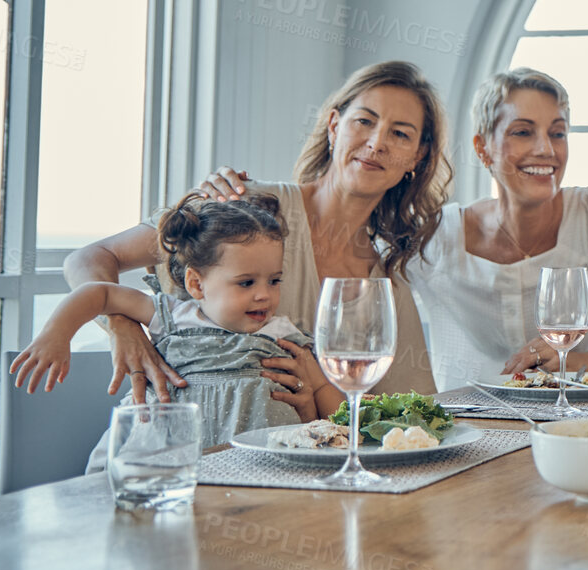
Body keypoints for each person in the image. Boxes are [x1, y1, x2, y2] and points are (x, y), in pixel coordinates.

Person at [64, 61, 451, 401]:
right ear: (334, 127)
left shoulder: (385, 282)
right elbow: (91, 258)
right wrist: (121, 326)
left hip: (280, 471)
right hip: (167, 446)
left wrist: (314, 407)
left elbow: (403, 413)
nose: (376, 142)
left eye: (400, 133)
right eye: (364, 121)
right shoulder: (246, 204)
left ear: (417, 156)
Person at [404, 68, 588, 389]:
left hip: (580, 424)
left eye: (557, 133)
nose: (546, 149)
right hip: (471, 424)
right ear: (482, 147)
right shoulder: (438, 236)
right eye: (522, 132)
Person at [12, 194, 346, 471]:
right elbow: (98, 292)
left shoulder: (284, 334)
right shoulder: (172, 315)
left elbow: (326, 398)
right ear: (196, 283)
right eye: (246, 283)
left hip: (258, 472)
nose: (264, 294)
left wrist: (324, 411)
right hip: (161, 466)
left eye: (274, 281)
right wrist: (56, 334)